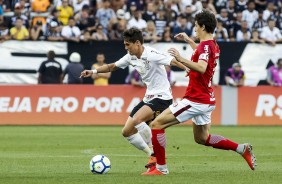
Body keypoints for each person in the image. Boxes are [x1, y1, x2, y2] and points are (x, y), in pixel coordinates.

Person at [142, 10, 256, 176]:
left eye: (196, 26)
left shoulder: (205, 46)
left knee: (156, 124)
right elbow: (202, 57)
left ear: (202, 26)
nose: (194, 29)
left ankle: (161, 168)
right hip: (206, 99)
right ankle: (241, 148)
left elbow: (202, 67)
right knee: (202, 138)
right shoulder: (212, 45)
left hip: (196, 99)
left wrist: (180, 59)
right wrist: (189, 41)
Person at [80, 27, 188, 171]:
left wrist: (187, 69)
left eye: (127, 45)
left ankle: (155, 155)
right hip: (149, 97)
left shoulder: (152, 53)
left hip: (162, 97)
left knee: (138, 119)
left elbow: (172, 61)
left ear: (137, 43)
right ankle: (151, 153)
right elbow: (113, 66)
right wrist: (93, 71)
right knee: (127, 131)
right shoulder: (130, 57)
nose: (126, 47)